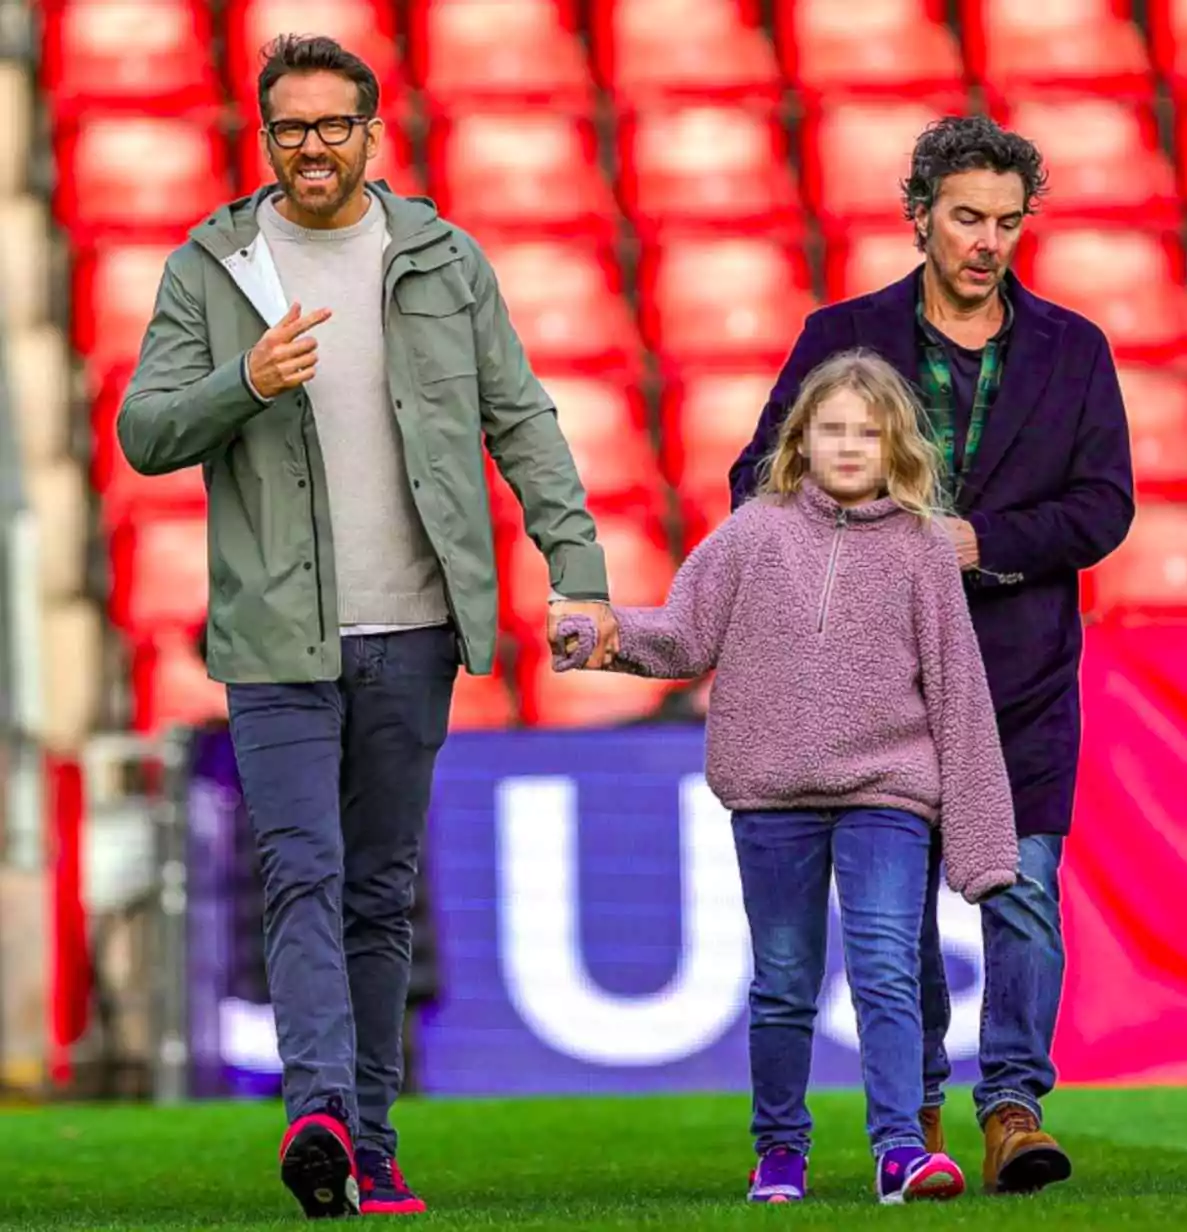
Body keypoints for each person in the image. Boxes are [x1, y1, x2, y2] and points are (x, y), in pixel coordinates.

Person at [117, 34, 618, 1219]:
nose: (313, 147)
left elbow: (523, 421)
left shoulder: (443, 259)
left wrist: (579, 566)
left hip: (415, 627)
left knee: (379, 890)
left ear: (371, 132)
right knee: (303, 870)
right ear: (265, 137)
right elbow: (144, 431)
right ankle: (322, 1114)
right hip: (276, 633)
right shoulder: (213, 264)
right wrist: (246, 378)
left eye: (333, 125)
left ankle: (373, 1143)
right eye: (290, 127)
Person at [728, 115, 1135, 1194]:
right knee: (895, 915)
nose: (987, 240)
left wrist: (979, 542)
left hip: (1022, 674)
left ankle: (1012, 1106)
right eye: (966, 217)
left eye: (1008, 221)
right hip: (882, 687)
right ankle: (911, 1115)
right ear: (920, 216)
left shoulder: (1074, 348)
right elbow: (755, 480)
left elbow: (1106, 508)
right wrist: (860, 532)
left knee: (1024, 893)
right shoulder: (841, 331)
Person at [555, 350, 1019, 1206]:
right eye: (832, 430)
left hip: (888, 792)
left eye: (867, 433)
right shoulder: (751, 533)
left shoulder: (923, 548)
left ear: (896, 446)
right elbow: (688, 637)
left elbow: (960, 693)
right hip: (771, 795)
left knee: (884, 969)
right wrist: (607, 634)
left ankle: (898, 1152)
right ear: (800, 442)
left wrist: (984, 844)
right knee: (782, 981)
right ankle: (779, 1152)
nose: (849, 447)